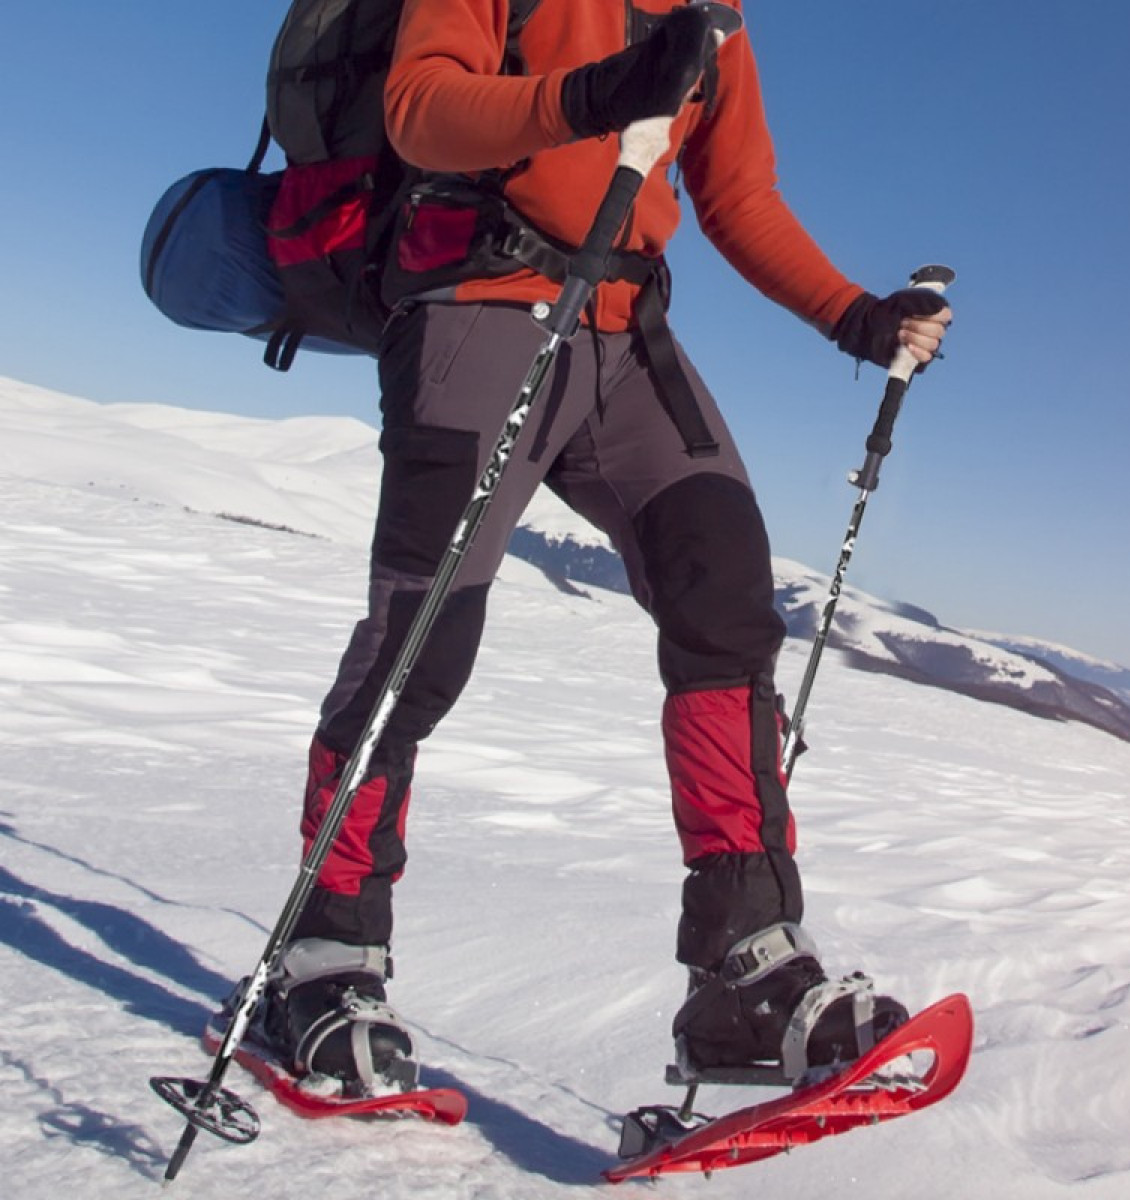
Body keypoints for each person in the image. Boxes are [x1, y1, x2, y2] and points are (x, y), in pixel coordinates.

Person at [257, 0, 952, 1093]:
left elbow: (737, 196)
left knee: (724, 598)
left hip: (626, 334)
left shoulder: (716, 17)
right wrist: (594, 98)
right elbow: (420, 111)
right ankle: (322, 955)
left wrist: (852, 314)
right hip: (481, 297)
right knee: (421, 638)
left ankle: (746, 968)